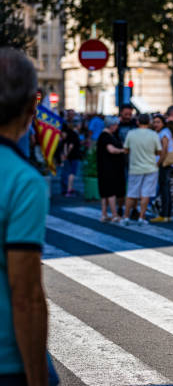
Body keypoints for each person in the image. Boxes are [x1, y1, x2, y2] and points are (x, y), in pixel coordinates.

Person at [0, 47, 49, 386]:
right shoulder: (22, 179)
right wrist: (38, 378)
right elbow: (27, 296)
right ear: (33, 104)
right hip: (7, 360)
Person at [121, 114, 162, 226]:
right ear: (149, 122)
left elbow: (125, 150)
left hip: (135, 168)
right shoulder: (153, 134)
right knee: (146, 194)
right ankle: (141, 217)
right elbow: (159, 151)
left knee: (131, 194)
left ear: (138, 122)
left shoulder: (131, 133)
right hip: (150, 167)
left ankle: (125, 217)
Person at [151, 115, 173, 222]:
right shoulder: (166, 132)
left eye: (158, 122)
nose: (155, 124)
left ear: (163, 123)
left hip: (164, 164)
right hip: (166, 164)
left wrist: (158, 163)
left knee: (164, 189)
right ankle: (167, 215)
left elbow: (164, 150)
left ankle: (164, 215)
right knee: (166, 189)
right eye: (154, 122)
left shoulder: (163, 133)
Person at [96, 116, 126, 222]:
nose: (117, 127)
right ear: (112, 125)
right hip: (110, 168)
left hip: (104, 167)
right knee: (111, 191)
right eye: (116, 125)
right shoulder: (106, 136)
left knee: (105, 192)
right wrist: (122, 151)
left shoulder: (104, 136)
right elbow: (111, 150)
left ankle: (104, 214)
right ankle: (114, 214)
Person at [59, 122, 81, 197]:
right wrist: (66, 154)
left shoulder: (69, 134)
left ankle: (67, 189)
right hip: (74, 156)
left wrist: (65, 154)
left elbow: (66, 145)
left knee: (68, 172)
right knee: (72, 173)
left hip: (70, 156)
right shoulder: (73, 134)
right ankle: (69, 189)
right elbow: (69, 146)